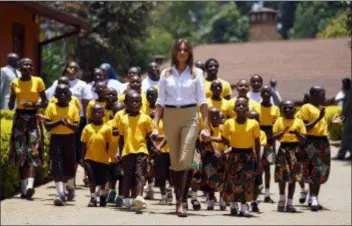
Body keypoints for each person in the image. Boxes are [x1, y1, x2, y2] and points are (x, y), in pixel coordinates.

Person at [153, 39, 209, 217]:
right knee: (175, 161)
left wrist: (206, 126)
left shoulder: (196, 73)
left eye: (185, 50)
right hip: (170, 116)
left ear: (190, 52)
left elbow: (202, 101)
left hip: (190, 116)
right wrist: (155, 126)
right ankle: (178, 197)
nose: (182, 52)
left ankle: (182, 201)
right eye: (179, 50)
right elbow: (160, 101)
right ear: (175, 52)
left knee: (186, 158)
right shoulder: (166, 74)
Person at [45, 61, 92, 187]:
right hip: (57, 128)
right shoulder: (56, 86)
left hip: (76, 122)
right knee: (57, 155)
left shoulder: (81, 85)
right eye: (70, 67)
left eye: (75, 68)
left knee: (73, 153)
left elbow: (84, 105)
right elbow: (48, 101)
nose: (72, 70)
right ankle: (61, 183)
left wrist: (83, 122)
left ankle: (71, 181)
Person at [8, 58, 48, 200]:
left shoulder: (38, 81)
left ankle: (31, 186)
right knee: (20, 152)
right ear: (19, 67)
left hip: (32, 118)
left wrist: (32, 104)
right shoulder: (14, 83)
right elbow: (11, 105)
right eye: (25, 64)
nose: (28, 66)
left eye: (31, 65)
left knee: (33, 150)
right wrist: (11, 100)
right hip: (19, 119)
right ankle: (24, 188)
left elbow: (45, 102)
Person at [115, 90, 155, 213]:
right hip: (127, 152)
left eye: (137, 101)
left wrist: (154, 149)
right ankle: (128, 198)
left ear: (141, 104)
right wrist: (118, 151)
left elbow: (150, 137)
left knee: (140, 175)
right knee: (128, 176)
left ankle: (139, 197)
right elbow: (121, 137)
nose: (134, 104)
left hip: (141, 151)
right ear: (126, 103)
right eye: (131, 101)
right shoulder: (123, 119)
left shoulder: (146, 118)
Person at [220, 97, 261, 217]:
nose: (241, 106)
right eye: (238, 105)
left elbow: (257, 142)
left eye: (244, 105)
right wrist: (230, 145)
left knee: (247, 181)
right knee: (232, 180)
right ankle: (233, 204)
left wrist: (257, 160)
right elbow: (224, 137)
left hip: (248, 155)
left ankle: (244, 206)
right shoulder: (229, 123)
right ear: (234, 109)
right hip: (234, 154)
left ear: (248, 108)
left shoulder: (254, 123)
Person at [295, 86, 331, 211]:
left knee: (321, 170)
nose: (325, 97)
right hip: (311, 141)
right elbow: (305, 127)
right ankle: (314, 197)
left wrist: (331, 123)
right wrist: (319, 118)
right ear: (314, 94)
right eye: (323, 94)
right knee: (313, 170)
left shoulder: (321, 109)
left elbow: (322, 128)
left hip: (323, 142)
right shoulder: (306, 108)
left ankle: (313, 196)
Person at [44, 84, 80, 206]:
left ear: (69, 95)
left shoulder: (73, 108)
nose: (62, 95)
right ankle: (59, 193)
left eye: (65, 92)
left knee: (68, 166)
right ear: (56, 95)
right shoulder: (51, 107)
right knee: (57, 165)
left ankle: (68, 186)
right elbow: (47, 125)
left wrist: (67, 124)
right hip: (56, 139)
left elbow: (76, 127)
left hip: (69, 139)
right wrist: (59, 122)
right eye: (60, 92)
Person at [272, 100, 306, 213]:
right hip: (283, 149)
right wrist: (281, 134)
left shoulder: (299, 122)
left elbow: (304, 140)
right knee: (282, 176)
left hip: (295, 150)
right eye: (285, 108)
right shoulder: (279, 120)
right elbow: (274, 137)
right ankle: (282, 199)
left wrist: (297, 134)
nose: (287, 110)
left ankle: (290, 203)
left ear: (295, 109)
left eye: (290, 108)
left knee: (293, 177)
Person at [252, 85, 280, 204]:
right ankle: (256, 192)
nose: (266, 94)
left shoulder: (275, 109)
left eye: (268, 92)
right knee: (256, 165)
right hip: (258, 135)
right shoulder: (255, 106)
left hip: (270, 138)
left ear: (271, 94)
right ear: (261, 94)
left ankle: (267, 194)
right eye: (263, 92)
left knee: (267, 166)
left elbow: (277, 125)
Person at [81, 104, 112, 207]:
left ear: (103, 114)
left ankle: (103, 196)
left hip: (103, 159)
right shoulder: (87, 128)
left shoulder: (107, 129)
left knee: (103, 180)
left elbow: (108, 144)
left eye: (99, 112)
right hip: (89, 158)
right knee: (91, 179)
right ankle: (93, 197)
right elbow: (83, 144)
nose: (96, 114)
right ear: (91, 115)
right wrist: (83, 158)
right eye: (94, 112)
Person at [200, 107, 227, 211]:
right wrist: (214, 149)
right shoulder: (205, 128)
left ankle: (222, 200)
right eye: (212, 117)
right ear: (208, 117)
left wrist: (221, 153)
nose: (215, 119)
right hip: (209, 157)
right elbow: (205, 140)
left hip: (222, 156)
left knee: (221, 179)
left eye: (217, 116)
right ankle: (211, 200)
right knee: (211, 179)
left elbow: (225, 140)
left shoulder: (223, 127)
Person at [105, 102, 125, 205]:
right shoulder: (108, 124)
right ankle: (112, 191)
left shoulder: (126, 122)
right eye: (116, 112)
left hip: (123, 156)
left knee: (122, 177)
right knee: (112, 176)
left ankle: (121, 196)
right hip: (111, 157)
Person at [247, 110, 266, 213]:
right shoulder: (245, 130)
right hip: (245, 159)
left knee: (257, 184)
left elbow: (261, 147)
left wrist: (258, 161)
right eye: (251, 118)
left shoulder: (261, 133)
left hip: (255, 160)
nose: (254, 121)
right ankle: (244, 201)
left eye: (256, 119)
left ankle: (254, 201)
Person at [337, 88, 352, 159]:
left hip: (349, 119)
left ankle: (341, 154)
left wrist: (340, 119)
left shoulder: (348, 94)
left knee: (345, 136)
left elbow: (346, 109)